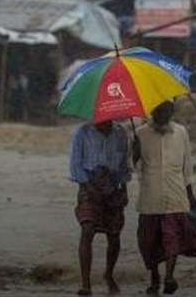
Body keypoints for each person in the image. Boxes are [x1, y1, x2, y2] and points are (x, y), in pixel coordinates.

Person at [132, 100, 196, 295]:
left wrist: (190, 193)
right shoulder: (140, 134)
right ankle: (154, 275)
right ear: (151, 111)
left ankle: (169, 276)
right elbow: (132, 168)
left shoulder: (181, 132)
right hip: (150, 198)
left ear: (172, 111)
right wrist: (135, 154)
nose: (161, 113)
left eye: (165, 109)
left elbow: (187, 166)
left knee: (173, 237)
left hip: (175, 195)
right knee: (149, 241)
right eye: (157, 109)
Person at [69, 120, 131, 296]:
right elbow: (75, 165)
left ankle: (109, 274)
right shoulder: (81, 132)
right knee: (87, 229)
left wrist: (124, 189)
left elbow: (123, 166)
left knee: (114, 234)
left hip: (113, 187)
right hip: (88, 185)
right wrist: (89, 188)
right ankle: (86, 283)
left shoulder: (121, 133)